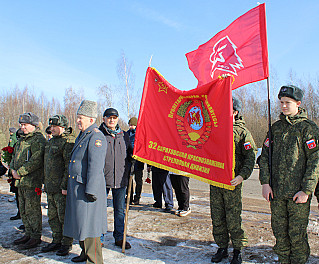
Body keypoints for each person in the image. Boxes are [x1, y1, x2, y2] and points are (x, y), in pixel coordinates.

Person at [259, 85, 319, 264]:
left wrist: (306, 190)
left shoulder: (307, 128)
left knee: (297, 235)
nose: (283, 106)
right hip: (276, 193)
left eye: (287, 103)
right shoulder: (275, 128)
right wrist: (265, 183)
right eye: (281, 102)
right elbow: (264, 157)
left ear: (298, 104)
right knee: (280, 233)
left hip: (297, 195)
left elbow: (315, 161)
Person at [210, 97, 256, 264]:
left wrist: (242, 176)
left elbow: (250, 158)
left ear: (235, 112)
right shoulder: (215, 128)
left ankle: (237, 250)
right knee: (217, 217)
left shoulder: (243, 132)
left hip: (232, 183)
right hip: (216, 182)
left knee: (233, 218)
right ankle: (222, 247)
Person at [63, 100, 107, 263]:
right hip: (78, 187)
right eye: (77, 117)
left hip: (88, 190)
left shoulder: (96, 136)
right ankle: (84, 252)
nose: (78, 120)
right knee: (81, 223)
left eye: (81, 117)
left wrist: (92, 190)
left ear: (91, 119)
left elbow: (95, 166)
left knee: (90, 226)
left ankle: (94, 259)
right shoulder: (83, 134)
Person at [11, 112, 46, 249]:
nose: (22, 127)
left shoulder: (38, 140)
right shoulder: (21, 140)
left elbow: (36, 160)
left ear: (33, 125)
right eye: (21, 124)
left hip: (32, 182)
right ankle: (28, 232)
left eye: (25, 125)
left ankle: (35, 236)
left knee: (33, 210)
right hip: (20, 182)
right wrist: (13, 170)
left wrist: (20, 172)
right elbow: (14, 156)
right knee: (24, 209)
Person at [41, 115, 75, 256]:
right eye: (51, 126)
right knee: (53, 216)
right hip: (50, 187)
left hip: (61, 189)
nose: (52, 128)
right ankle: (56, 240)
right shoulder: (50, 142)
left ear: (63, 127)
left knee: (63, 217)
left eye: (55, 126)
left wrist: (65, 186)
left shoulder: (67, 142)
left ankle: (66, 243)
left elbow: (69, 166)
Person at [99, 107, 132, 249]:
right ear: (104, 119)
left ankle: (119, 237)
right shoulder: (98, 134)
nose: (112, 120)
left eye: (114, 118)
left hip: (120, 178)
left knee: (119, 210)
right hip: (102, 179)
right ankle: (98, 237)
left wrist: (135, 158)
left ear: (118, 119)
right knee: (99, 210)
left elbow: (130, 153)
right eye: (109, 117)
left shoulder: (123, 135)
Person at [126, 117, 145, 205]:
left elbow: (143, 146)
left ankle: (137, 197)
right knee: (129, 179)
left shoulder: (140, 133)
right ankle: (129, 196)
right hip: (129, 160)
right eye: (130, 125)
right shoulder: (127, 134)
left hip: (138, 160)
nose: (131, 127)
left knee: (138, 180)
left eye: (133, 125)